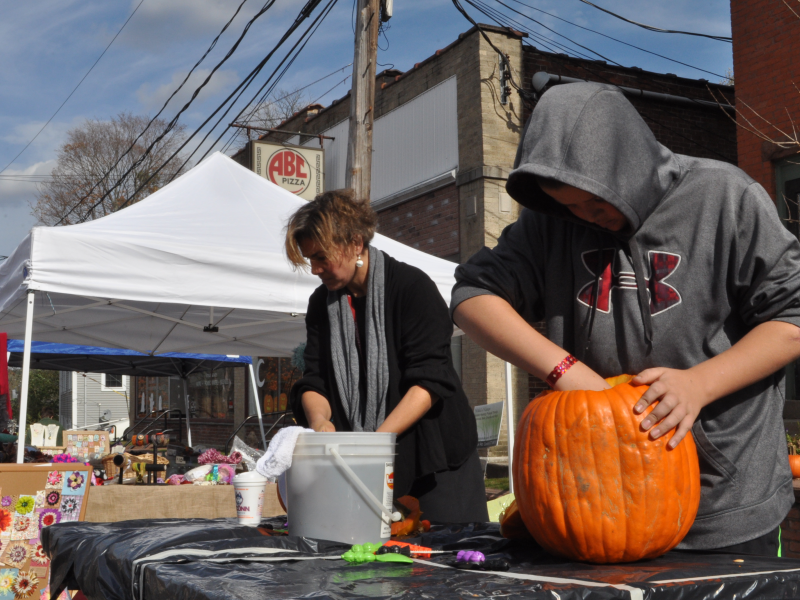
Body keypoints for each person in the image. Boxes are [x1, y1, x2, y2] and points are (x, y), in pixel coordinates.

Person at [451, 82, 800, 555]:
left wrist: (699, 384)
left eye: (597, 203)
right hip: (599, 509)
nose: (588, 218)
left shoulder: (725, 196)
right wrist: (567, 372)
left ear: (630, 168)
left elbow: (792, 316)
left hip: (727, 505)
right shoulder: (552, 222)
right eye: (570, 208)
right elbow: (473, 296)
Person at [286, 190, 488, 523]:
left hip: (433, 462)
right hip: (361, 464)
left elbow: (430, 381)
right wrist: (320, 421)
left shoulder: (412, 288)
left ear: (354, 243)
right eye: (310, 259)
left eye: (321, 257)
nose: (315, 269)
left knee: (444, 567)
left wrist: (375, 445)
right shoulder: (320, 304)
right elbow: (315, 378)